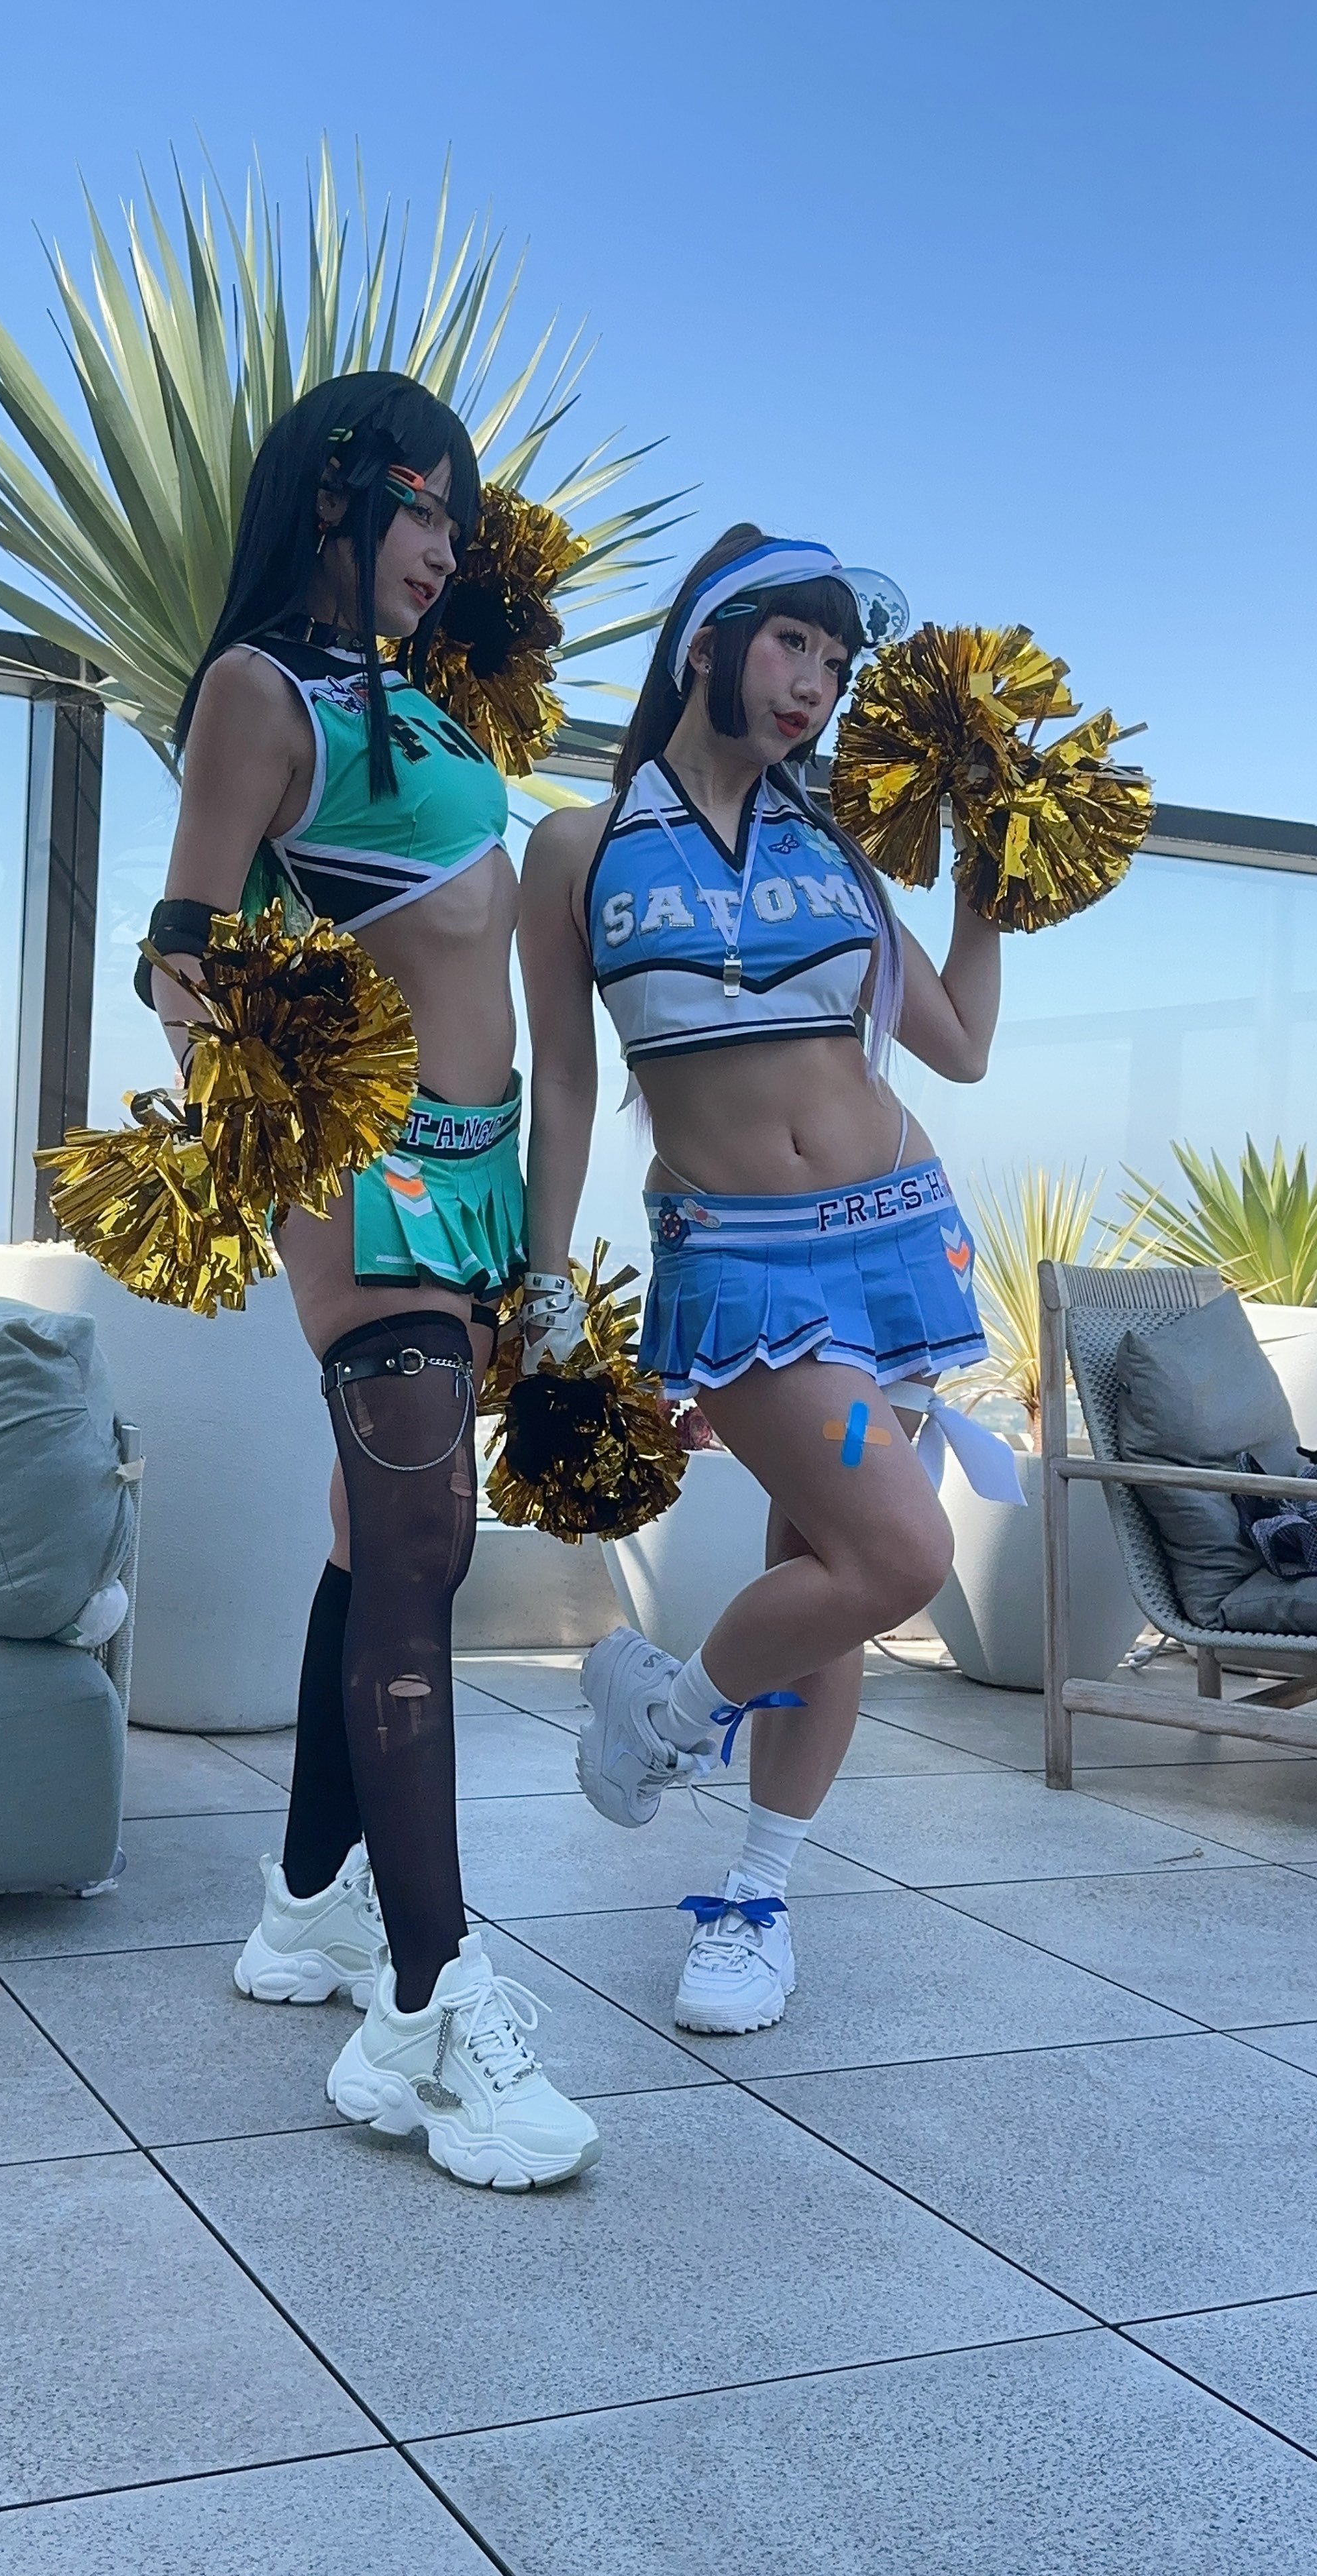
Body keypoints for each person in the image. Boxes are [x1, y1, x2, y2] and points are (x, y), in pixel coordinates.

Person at [144, 372, 598, 2188]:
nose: (438, 552)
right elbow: (180, 956)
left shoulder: (426, 707)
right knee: (426, 1557)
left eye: (455, 527)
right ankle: (434, 2014)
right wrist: (262, 1112)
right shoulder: (259, 695)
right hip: (366, 1173)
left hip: (480, 1186)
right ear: (339, 498)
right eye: (421, 514)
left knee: (370, 1539)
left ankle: (310, 1903)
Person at [517, 523, 1007, 2038]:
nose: (819, 686)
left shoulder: (840, 853)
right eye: (794, 645)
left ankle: (753, 1900)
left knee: (834, 1579)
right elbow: (570, 1090)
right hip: (742, 1267)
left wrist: (991, 883)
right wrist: (544, 1290)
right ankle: (663, 1723)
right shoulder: (575, 852)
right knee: (899, 1556)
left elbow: (961, 1046)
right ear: (710, 644)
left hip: (900, 1242)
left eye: (840, 664)